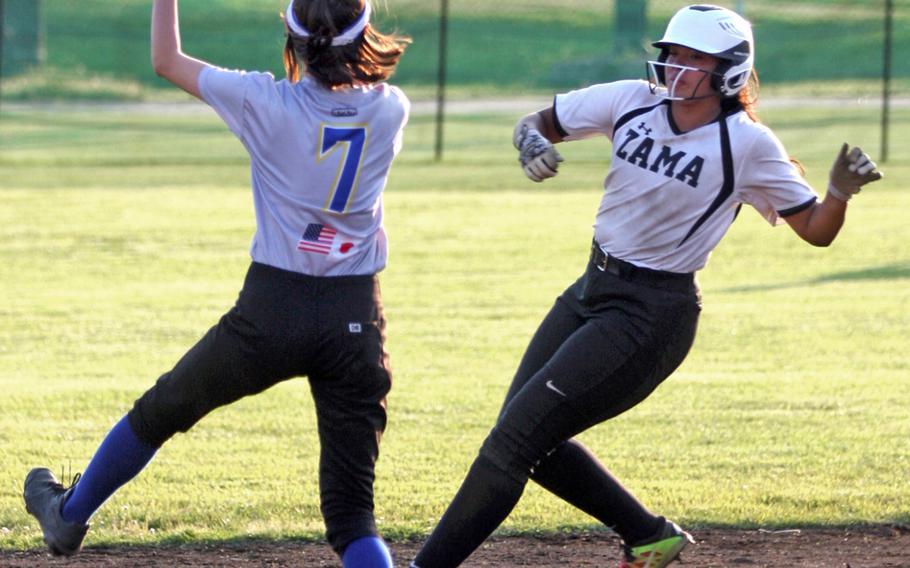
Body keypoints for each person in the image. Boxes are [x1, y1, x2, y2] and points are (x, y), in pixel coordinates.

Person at [410, 4, 882, 568]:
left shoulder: (747, 144)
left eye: (693, 59)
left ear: (730, 71)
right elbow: (538, 121)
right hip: (591, 286)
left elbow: (816, 231)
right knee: (524, 438)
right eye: (672, 54)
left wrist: (838, 192)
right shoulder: (633, 99)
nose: (675, 67)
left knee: (512, 443)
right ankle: (649, 534)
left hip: (652, 314)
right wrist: (530, 142)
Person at [23, 1, 410, 566]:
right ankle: (68, 514)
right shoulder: (391, 110)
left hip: (272, 309)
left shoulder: (264, 100)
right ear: (364, 35)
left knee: (161, 411)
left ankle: (69, 515)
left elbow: (166, 60)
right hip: (356, 315)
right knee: (353, 518)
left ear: (294, 39)